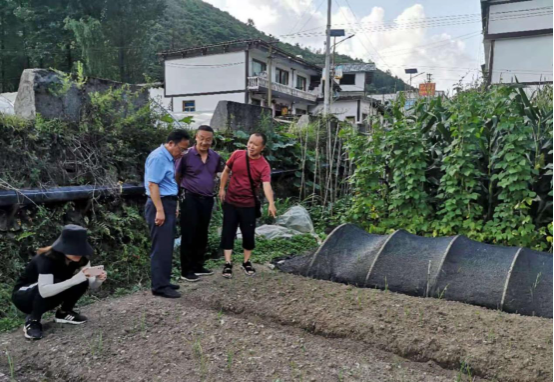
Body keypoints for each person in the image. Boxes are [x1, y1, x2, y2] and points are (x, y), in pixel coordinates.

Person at [12, 224, 107, 340]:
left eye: (80, 250)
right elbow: (44, 291)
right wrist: (75, 279)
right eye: (74, 251)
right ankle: (33, 320)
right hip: (24, 297)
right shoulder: (46, 259)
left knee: (81, 280)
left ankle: (64, 312)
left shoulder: (82, 259)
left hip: (50, 293)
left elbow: (92, 285)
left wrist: (98, 279)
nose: (78, 254)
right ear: (63, 247)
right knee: (62, 281)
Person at [218, 132, 277, 278]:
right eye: (250, 142)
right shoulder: (237, 154)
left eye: (255, 144)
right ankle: (227, 263)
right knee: (228, 232)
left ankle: (246, 261)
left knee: (248, 234)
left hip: (249, 205)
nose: (251, 146)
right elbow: (226, 172)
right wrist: (221, 189)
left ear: (262, 147)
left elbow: (266, 185)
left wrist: (271, 203)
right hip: (231, 202)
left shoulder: (264, 165)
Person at [175, 125, 225, 282]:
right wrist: (179, 196)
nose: (204, 142)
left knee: (202, 232)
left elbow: (221, 173)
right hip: (190, 197)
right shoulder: (186, 155)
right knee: (189, 232)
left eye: (208, 139)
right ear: (196, 137)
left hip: (207, 198)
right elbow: (177, 176)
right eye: (201, 138)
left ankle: (198, 265)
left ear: (212, 140)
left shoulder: (215, 157)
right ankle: (186, 270)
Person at [144, 130, 190, 298]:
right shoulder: (158, 157)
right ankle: (159, 287)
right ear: (171, 143)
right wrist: (160, 210)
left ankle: (164, 281)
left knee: (167, 246)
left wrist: (174, 205)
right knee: (160, 247)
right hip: (159, 204)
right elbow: (152, 185)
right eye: (181, 149)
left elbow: (167, 183)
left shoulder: (168, 158)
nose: (182, 153)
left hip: (167, 203)